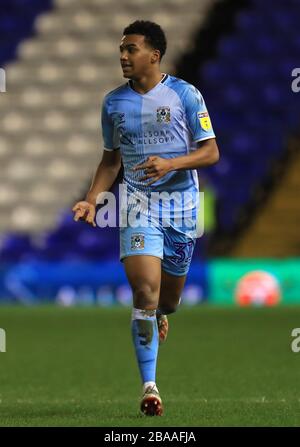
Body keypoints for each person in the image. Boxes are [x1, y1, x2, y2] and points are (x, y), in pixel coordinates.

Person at [72, 20, 219, 416]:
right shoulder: (113, 103)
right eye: (121, 48)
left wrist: (172, 163)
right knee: (144, 293)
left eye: (131, 48)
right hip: (137, 206)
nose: (123, 55)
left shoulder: (186, 95)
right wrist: (92, 199)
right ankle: (150, 387)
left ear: (153, 55)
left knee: (167, 300)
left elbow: (210, 153)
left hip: (182, 209)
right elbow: (110, 160)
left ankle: (158, 316)